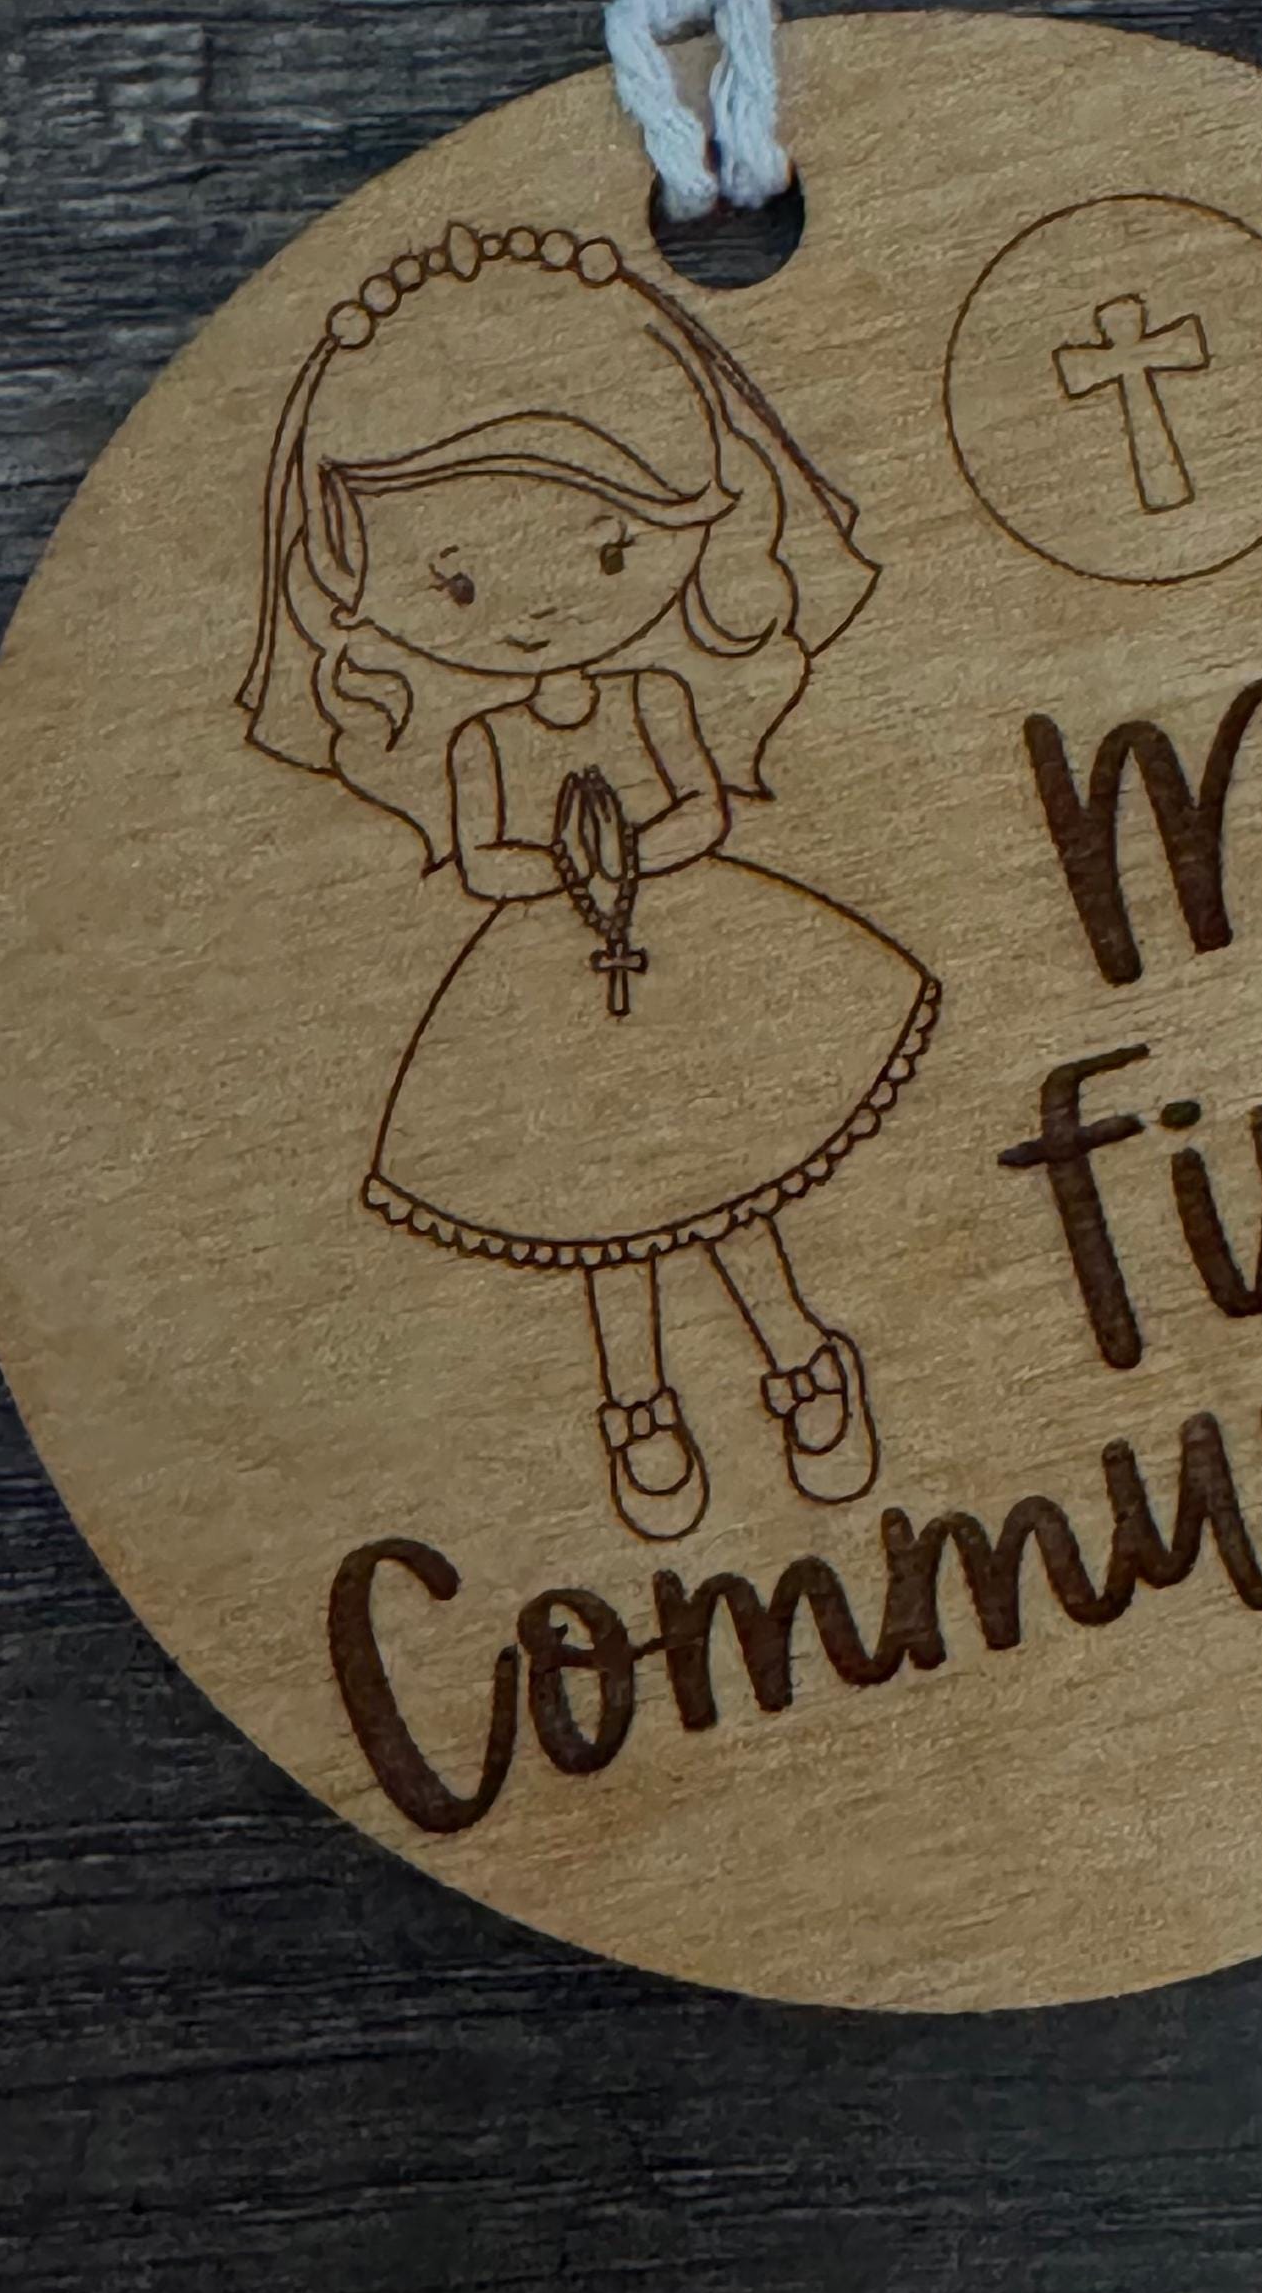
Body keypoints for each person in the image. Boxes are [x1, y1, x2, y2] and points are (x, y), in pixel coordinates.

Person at [239, 221, 936, 1542]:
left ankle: (801, 1362)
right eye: (454, 581)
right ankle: (639, 1411)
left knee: (729, 1185)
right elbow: (485, 858)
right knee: (603, 1220)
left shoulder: (656, 690)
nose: (536, 610)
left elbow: (702, 808)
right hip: (553, 993)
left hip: (681, 958)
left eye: (609, 552)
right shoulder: (482, 741)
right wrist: (568, 871)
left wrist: (634, 855)